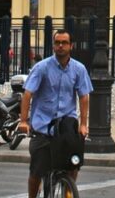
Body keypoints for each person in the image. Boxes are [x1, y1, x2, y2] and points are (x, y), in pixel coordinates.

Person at [18, 29, 92, 198]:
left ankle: (68, 190)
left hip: (66, 126)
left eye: (64, 43)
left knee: (74, 163)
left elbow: (84, 97)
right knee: (37, 171)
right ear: (53, 46)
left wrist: (83, 125)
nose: (60, 46)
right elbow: (28, 94)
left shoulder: (79, 69)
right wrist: (23, 121)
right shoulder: (41, 67)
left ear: (71, 46)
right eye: (57, 42)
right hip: (43, 127)